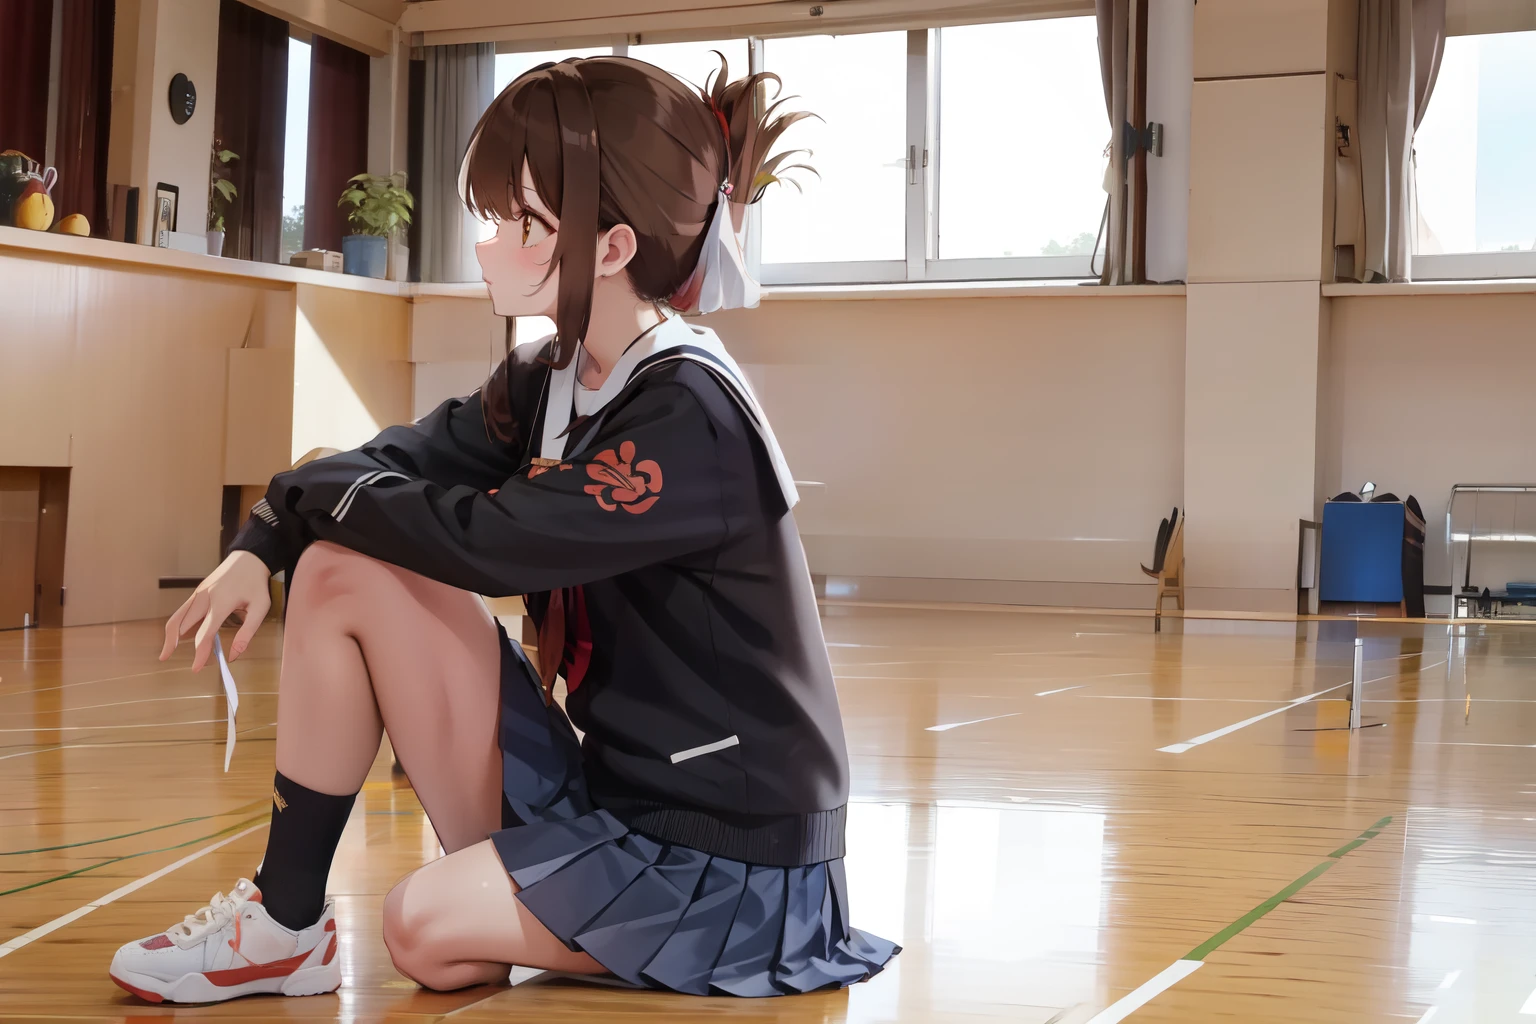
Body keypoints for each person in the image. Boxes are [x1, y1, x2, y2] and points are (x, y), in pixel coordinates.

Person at [107, 54, 898, 1003]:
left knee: (422, 927)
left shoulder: (692, 410)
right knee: (338, 571)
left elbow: (491, 543)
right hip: (612, 798)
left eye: (524, 222)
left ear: (610, 249)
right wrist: (269, 534)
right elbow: (398, 460)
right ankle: (285, 924)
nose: (490, 243)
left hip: (738, 863)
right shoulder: (555, 376)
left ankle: (527, 910)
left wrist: (301, 505)